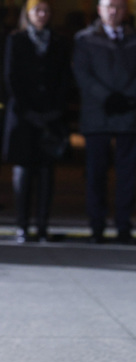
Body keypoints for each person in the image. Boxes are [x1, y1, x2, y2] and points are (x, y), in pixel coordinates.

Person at [73, 0, 136, 245]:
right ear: (99, 10)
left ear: (126, 10)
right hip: (98, 116)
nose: (113, 11)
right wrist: (107, 97)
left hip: (129, 114)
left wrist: (128, 97)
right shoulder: (84, 39)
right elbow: (82, 73)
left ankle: (124, 226)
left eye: (118, 6)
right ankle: (97, 226)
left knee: (127, 175)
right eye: (108, 6)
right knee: (96, 174)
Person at [2, 0, 70, 243]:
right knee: (23, 172)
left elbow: (65, 78)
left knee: (46, 172)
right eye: (37, 11)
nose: (42, 15)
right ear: (28, 14)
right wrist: (27, 111)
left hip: (50, 116)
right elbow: (10, 78)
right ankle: (22, 225)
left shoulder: (59, 42)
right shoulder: (16, 40)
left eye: (46, 11)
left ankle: (42, 224)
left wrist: (54, 111)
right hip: (23, 117)